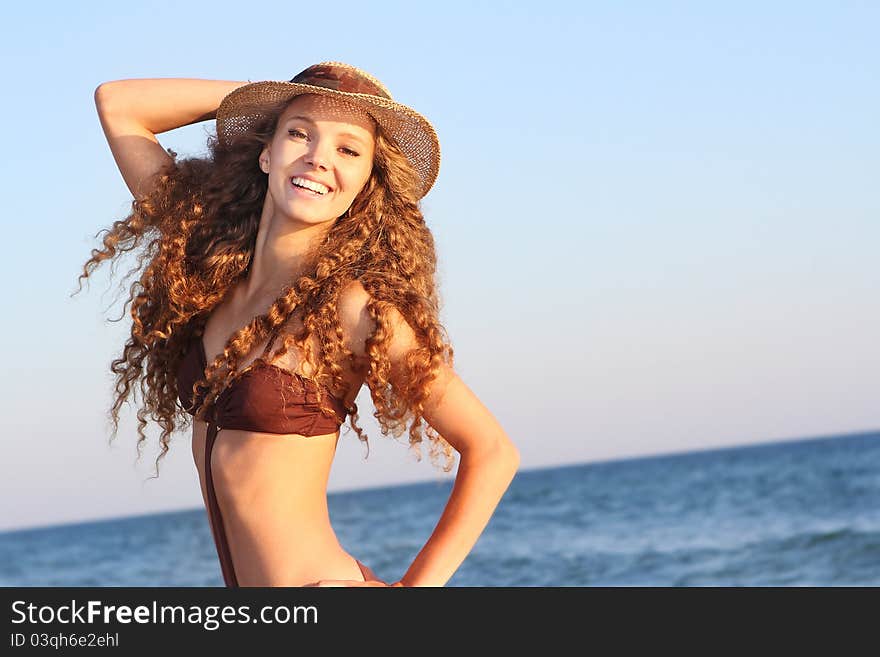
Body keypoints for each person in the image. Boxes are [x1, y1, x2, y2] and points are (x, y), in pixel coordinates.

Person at [80, 61, 520, 587]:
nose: (318, 158)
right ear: (266, 152)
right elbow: (119, 103)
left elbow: (492, 451)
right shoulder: (209, 268)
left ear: (365, 183)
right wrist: (275, 98)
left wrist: (413, 592)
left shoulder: (353, 310)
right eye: (299, 134)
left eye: (348, 150)